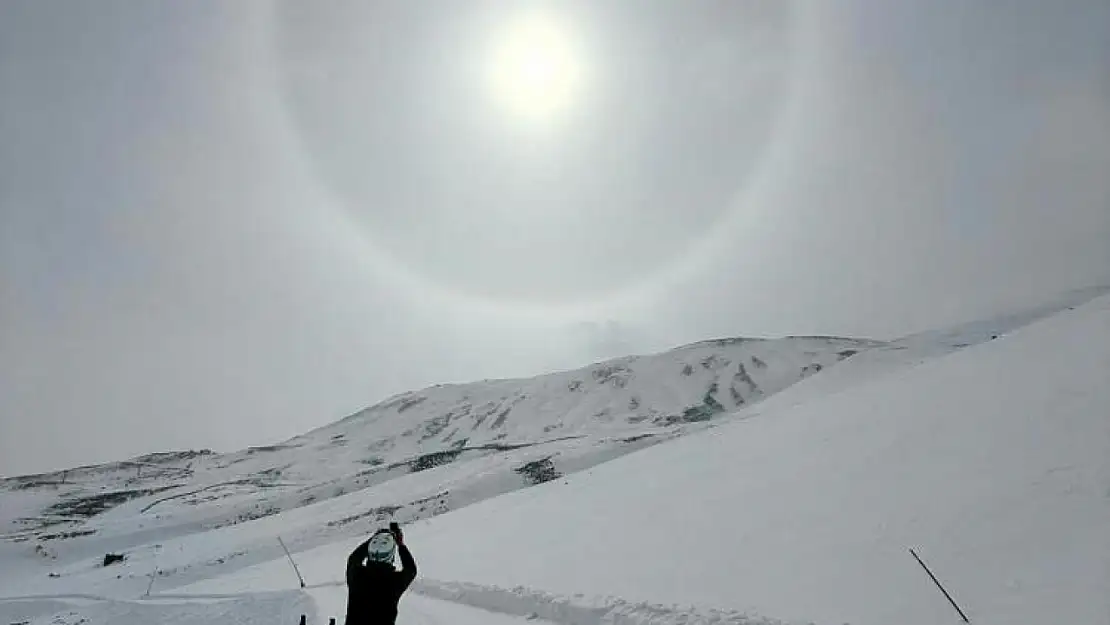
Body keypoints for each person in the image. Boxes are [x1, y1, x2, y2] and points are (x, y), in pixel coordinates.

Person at [344, 522, 417, 625]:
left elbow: (353, 559)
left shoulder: (357, 575)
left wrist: (374, 539)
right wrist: (400, 544)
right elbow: (411, 569)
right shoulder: (394, 581)